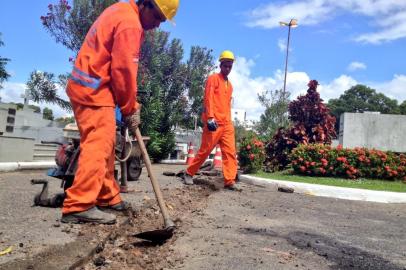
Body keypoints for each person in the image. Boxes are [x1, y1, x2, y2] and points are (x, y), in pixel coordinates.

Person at [61, 0, 180, 224]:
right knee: (99, 145)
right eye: (157, 18)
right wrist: (129, 108)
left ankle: (107, 196)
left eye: (162, 21)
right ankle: (79, 204)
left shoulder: (121, 10)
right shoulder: (130, 24)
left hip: (91, 88)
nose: (157, 25)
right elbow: (123, 71)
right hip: (93, 90)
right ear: (146, 4)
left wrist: (127, 106)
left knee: (106, 147)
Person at [183, 50, 242, 191]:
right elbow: (208, 98)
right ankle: (188, 173)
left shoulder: (230, 85)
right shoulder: (213, 78)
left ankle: (229, 181)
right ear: (220, 65)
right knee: (205, 150)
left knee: (230, 153)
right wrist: (209, 117)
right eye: (225, 66)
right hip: (214, 122)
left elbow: (227, 104)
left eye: (230, 66)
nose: (227, 69)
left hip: (227, 124)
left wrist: (229, 122)